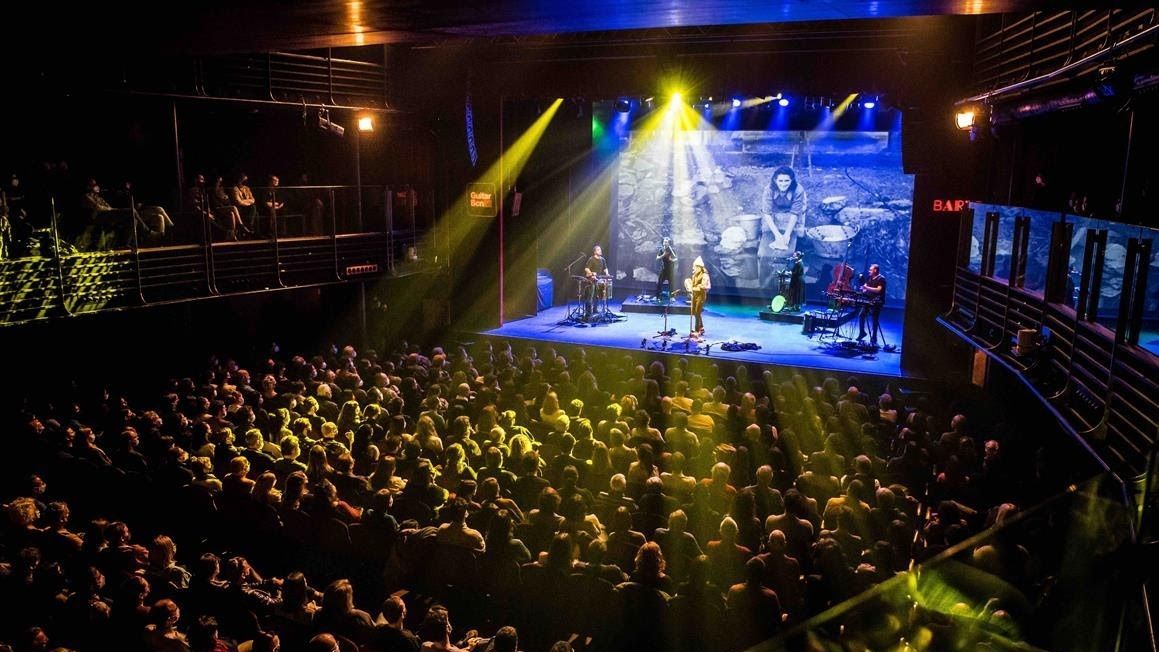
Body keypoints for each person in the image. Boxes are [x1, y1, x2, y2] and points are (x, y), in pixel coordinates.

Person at [759, 166, 807, 288]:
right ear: (775, 180)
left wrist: (786, 235)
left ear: (792, 180)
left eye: (787, 181)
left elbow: (795, 213)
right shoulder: (769, 189)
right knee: (764, 253)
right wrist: (777, 234)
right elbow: (767, 213)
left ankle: (787, 285)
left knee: (789, 252)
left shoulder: (798, 190)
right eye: (780, 181)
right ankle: (764, 285)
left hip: (790, 217)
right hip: (773, 217)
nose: (783, 184)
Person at [857, 263, 886, 344]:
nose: (869, 271)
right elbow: (865, 287)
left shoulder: (881, 279)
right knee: (861, 315)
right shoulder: (870, 277)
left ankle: (874, 337)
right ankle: (862, 332)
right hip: (868, 300)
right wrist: (863, 288)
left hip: (877, 301)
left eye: (870, 269)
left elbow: (878, 290)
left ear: (875, 270)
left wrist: (866, 288)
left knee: (874, 319)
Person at [583, 244, 609, 321]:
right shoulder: (591, 259)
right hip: (591, 280)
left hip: (599, 279)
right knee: (590, 297)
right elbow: (586, 269)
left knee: (597, 296)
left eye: (600, 250)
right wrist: (591, 274)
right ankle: (588, 313)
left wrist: (607, 274)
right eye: (598, 250)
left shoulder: (603, 259)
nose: (600, 251)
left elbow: (605, 268)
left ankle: (595, 310)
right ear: (594, 252)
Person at [687, 256, 710, 338]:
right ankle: (701, 328)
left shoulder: (705, 275)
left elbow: (705, 286)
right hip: (695, 295)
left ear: (700, 267)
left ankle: (697, 330)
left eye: (695, 267)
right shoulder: (694, 275)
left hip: (701, 295)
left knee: (697, 312)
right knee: (694, 312)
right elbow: (692, 285)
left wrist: (695, 288)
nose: (694, 268)